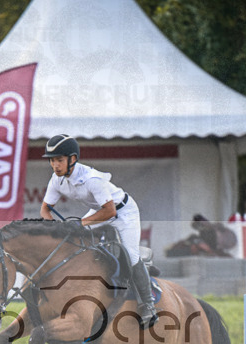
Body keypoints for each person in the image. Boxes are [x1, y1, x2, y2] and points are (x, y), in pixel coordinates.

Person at [38, 134, 157, 328]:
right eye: (52, 160)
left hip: (123, 212)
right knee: (70, 236)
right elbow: (45, 209)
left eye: (59, 160)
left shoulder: (92, 179)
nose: (55, 165)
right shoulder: (56, 180)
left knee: (131, 255)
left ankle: (149, 304)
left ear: (73, 159)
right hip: (99, 210)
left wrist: (81, 223)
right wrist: (56, 228)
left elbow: (109, 212)